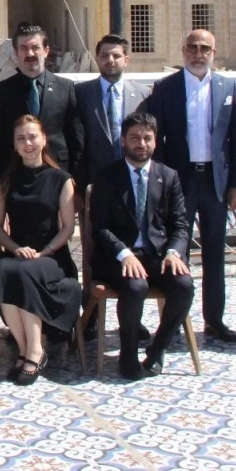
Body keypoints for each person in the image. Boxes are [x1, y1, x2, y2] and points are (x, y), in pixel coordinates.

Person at [139, 29, 236, 343]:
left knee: (215, 253)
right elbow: (156, 141)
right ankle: (174, 321)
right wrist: (158, 183)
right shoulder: (166, 88)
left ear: (214, 52)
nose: (198, 54)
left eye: (204, 48)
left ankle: (214, 319)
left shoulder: (228, 88)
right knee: (175, 251)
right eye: (192, 48)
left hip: (214, 181)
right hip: (178, 181)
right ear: (183, 50)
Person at [90, 112, 194, 380]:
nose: (141, 143)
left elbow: (180, 224)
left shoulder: (168, 176)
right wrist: (124, 254)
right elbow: (100, 227)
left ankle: (157, 349)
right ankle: (128, 354)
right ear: (123, 140)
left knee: (184, 284)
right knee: (136, 286)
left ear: (155, 141)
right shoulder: (107, 177)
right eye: (134, 138)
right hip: (118, 257)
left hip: (157, 254)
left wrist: (174, 252)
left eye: (147, 138)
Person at [0, 116, 80, 385]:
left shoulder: (61, 179)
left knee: (26, 272)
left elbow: (68, 227)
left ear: (43, 139)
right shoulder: (6, 180)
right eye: (21, 138)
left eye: (32, 137)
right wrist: (16, 249)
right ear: (15, 145)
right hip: (18, 253)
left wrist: (45, 251)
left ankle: (35, 351)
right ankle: (25, 347)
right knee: (1, 270)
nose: (27, 143)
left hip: (52, 256)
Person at [73, 34, 149, 339]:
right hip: (95, 187)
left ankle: (133, 317)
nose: (110, 60)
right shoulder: (82, 94)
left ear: (126, 59)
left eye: (116, 55)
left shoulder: (142, 94)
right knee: (92, 251)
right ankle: (90, 314)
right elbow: (77, 143)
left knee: (134, 248)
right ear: (97, 58)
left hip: (133, 186)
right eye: (105, 55)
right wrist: (78, 188)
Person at [0, 23, 83, 179]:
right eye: (24, 48)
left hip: (58, 172)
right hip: (17, 174)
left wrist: (76, 180)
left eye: (35, 47)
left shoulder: (65, 88)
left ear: (46, 51)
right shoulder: (3, 91)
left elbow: (76, 138)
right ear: (16, 53)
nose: (30, 53)